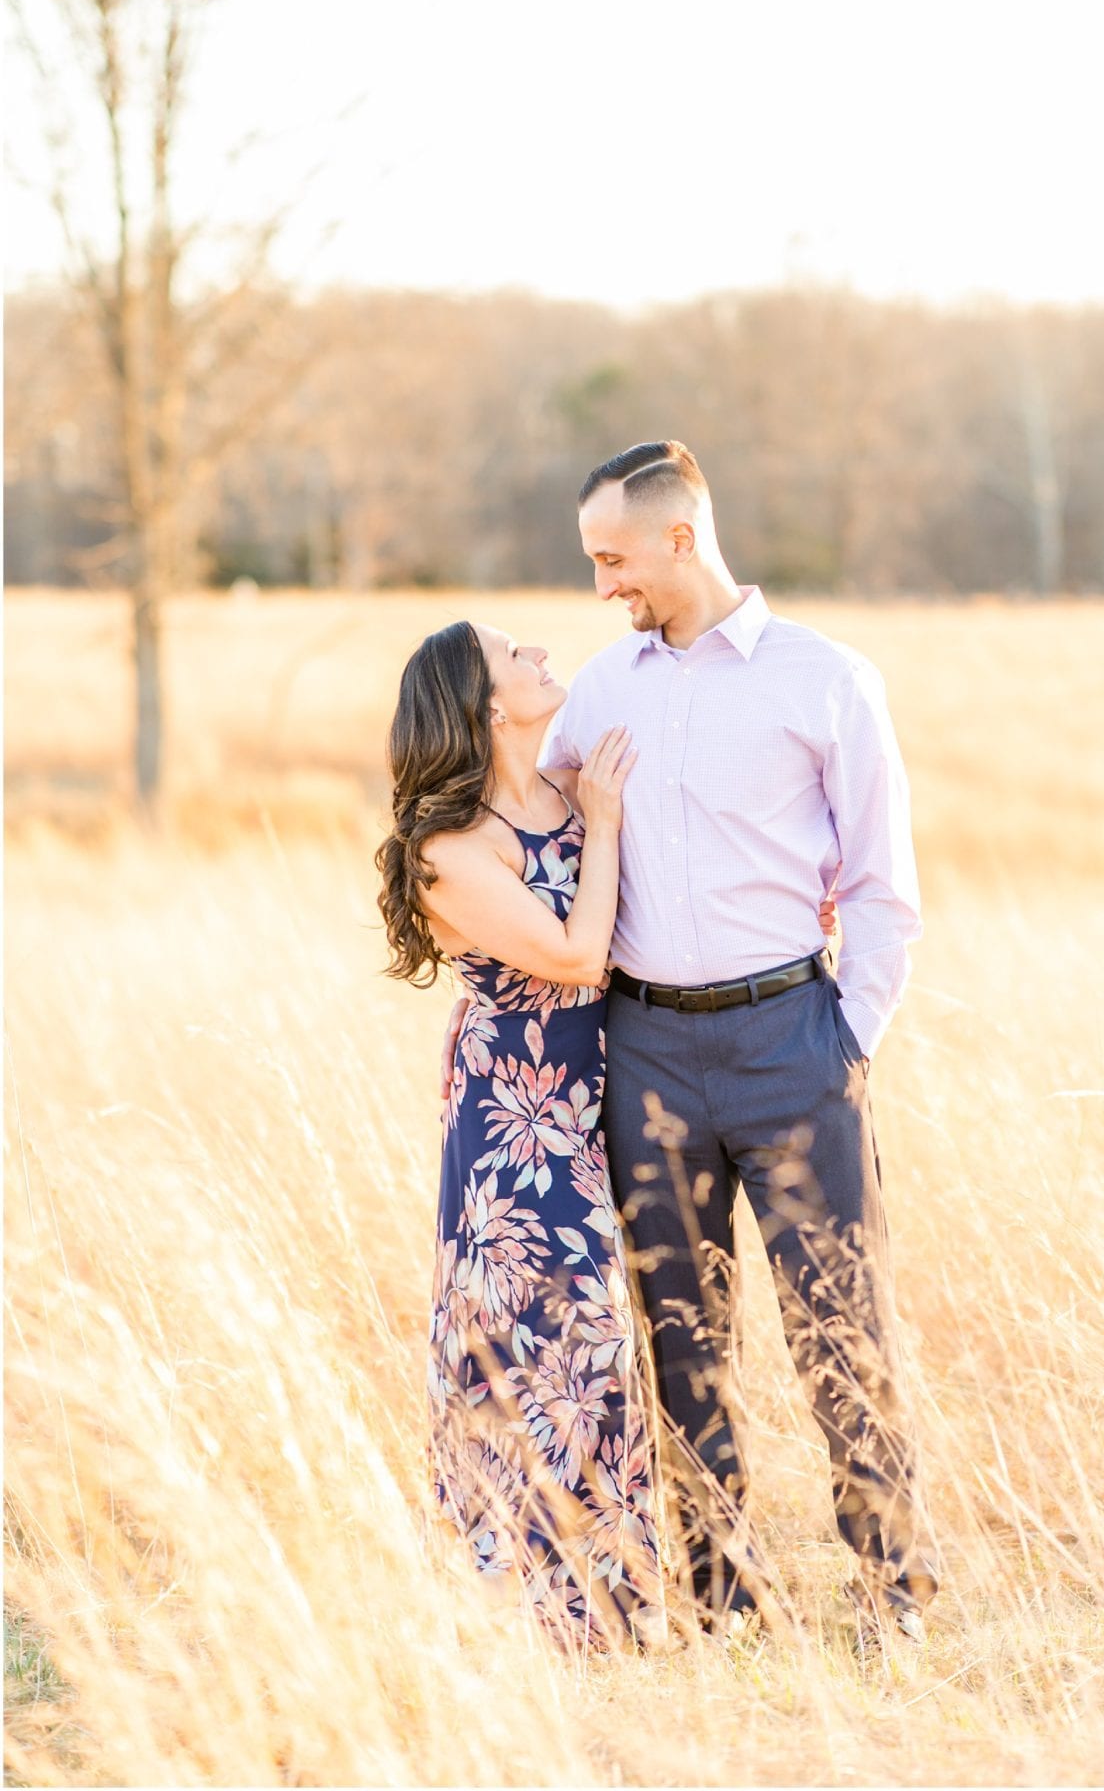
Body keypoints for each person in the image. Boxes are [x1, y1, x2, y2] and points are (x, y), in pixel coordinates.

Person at [442, 440, 942, 1652]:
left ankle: (892, 1602)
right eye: (590, 560)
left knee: (841, 1327)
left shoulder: (826, 680)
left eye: (613, 556)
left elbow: (882, 890)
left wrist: (842, 1040)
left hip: (794, 1041)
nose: (603, 582)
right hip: (645, 1052)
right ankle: (728, 1606)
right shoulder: (602, 691)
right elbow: (521, 820)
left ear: (680, 536)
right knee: (680, 1339)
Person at [375, 619, 663, 1651]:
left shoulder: (566, 788)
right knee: (546, 1331)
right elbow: (576, 957)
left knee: (598, 1341)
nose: (539, 652)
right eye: (512, 654)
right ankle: (523, 1605)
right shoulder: (449, 850)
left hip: (601, 1091)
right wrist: (609, 822)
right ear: (485, 706)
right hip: (516, 1117)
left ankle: (612, 1600)